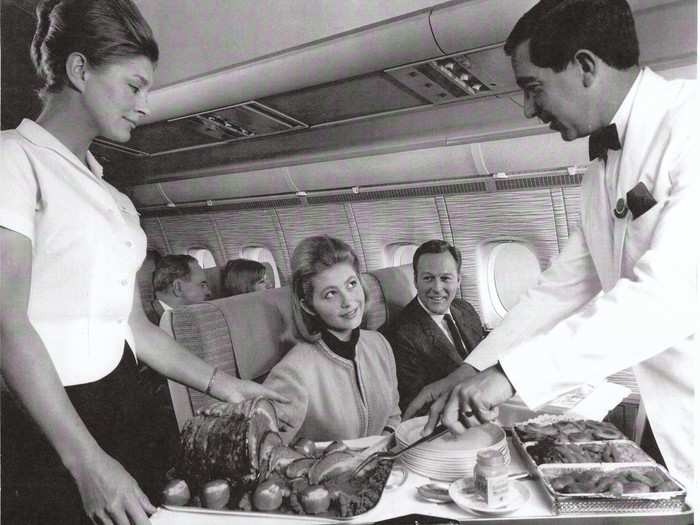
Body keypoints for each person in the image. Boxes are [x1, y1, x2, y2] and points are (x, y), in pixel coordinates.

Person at [0, 2, 286, 524]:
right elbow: (7, 325)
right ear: (79, 70)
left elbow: (134, 327)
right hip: (48, 420)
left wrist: (225, 384)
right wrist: (86, 462)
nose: (145, 105)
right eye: (134, 86)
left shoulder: (114, 198)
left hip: (123, 402)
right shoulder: (11, 161)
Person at [411, 0, 697, 497]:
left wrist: (510, 376)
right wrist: (472, 368)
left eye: (532, 87)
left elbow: (669, 295)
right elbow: (561, 289)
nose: (527, 108)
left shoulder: (690, 127)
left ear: (585, 66)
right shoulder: (600, 174)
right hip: (670, 410)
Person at [263, 235, 402, 443]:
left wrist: (380, 444)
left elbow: (393, 415)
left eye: (351, 284)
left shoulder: (379, 344)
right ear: (308, 306)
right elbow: (270, 450)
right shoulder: (292, 373)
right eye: (330, 294)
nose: (348, 301)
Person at [383, 240, 484, 412]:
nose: (437, 288)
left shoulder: (466, 309)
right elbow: (415, 405)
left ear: (458, 280)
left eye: (445, 278)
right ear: (416, 281)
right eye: (428, 278)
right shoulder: (400, 334)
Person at [153, 254, 212, 336]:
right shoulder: (147, 326)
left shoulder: (193, 316)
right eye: (202, 285)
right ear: (178, 287)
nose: (208, 292)